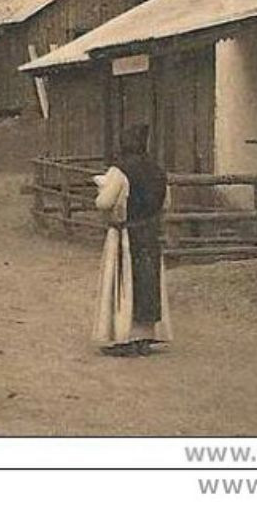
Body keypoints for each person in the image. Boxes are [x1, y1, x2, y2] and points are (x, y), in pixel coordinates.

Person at [92, 123, 173, 356]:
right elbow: (166, 203)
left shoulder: (120, 171)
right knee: (148, 281)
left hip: (126, 233)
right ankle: (145, 336)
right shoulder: (158, 171)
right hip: (149, 232)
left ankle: (124, 336)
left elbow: (104, 203)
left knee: (124, 280)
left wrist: (102, 188)